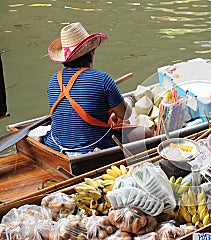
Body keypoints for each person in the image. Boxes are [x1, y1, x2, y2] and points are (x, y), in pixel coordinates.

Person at [44, 22, 152, 155]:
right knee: (147, 133)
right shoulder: (102, 79)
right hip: (92, 146)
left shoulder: (54, 79)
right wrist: (128, 101)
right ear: (91, 53)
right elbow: (125, 115)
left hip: (55, 145)